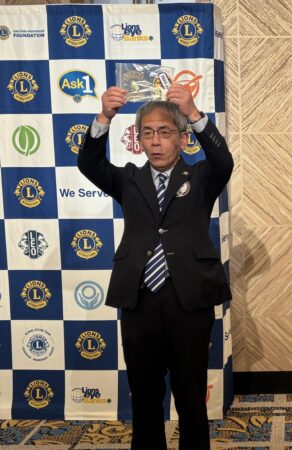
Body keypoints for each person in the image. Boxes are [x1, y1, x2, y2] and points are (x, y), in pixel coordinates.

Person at [77, 84, 233, 450]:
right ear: (139, 141)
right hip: (140, 300)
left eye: (164, 132)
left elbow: (223, 161)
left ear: (182, 139)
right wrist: (104, 117)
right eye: (147, 133)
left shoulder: (200, 178)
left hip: (188, 300)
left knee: (191, 395)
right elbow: (88, 164)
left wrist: (193, 114)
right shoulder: (128, 179)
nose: (156, 141)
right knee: (144, 395)